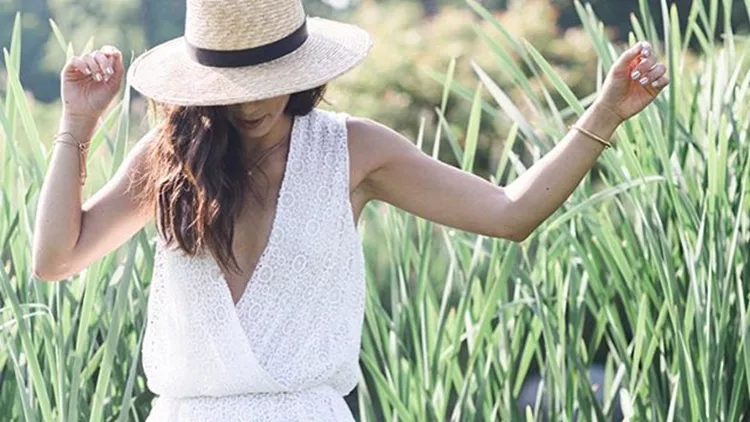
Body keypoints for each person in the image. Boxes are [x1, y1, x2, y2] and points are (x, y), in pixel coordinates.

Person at [31, 0, 669, 420]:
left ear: (301, 67)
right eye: (235, 83)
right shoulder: (170, 159)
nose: (253, 102)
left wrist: (606, 110)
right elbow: (56, 259)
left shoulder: (352, 150)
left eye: (269, 77)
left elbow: (510, 213)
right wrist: (79, 123)